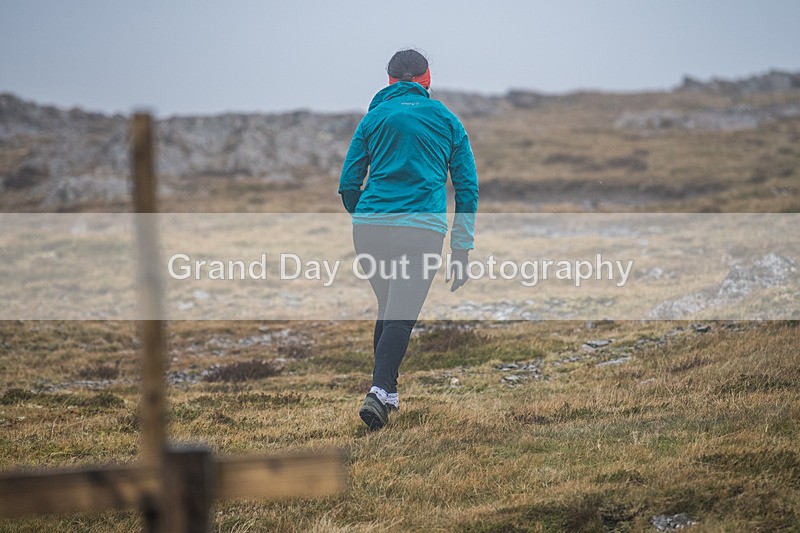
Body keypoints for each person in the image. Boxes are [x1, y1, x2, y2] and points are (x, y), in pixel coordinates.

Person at [338, 48, 479, 430]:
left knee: (389, 307)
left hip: (368, 228)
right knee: (400, 312)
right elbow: (467, 187)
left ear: (390, 81)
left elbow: (348, 183)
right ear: (426, 78)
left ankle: (388, 393)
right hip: (419, 230)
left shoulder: (373, 119)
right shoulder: (447, 121)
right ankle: (379, 392)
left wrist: (366, 215)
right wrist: (461, 248)